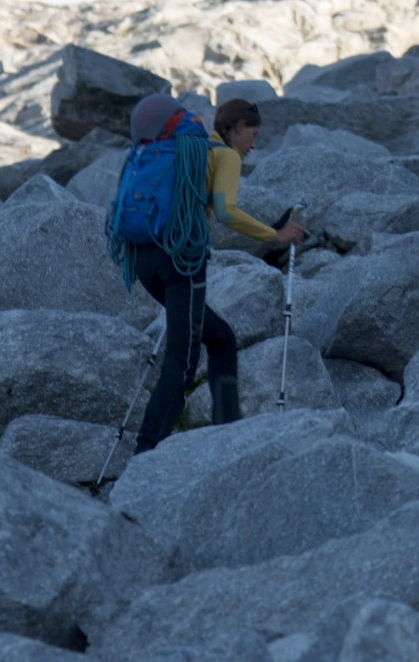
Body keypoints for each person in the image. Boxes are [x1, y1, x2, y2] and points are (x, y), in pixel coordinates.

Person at [122, 94, 303, 455]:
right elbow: (225, 211)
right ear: (236, 129)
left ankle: (226, 428)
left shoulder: (188, 148)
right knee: (182, 358)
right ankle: (147, 449)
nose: (255, 143)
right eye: (252, 133)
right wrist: (274, 235)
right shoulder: (225, 156)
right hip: (180, 261)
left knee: (219, 339)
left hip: (144, 259)